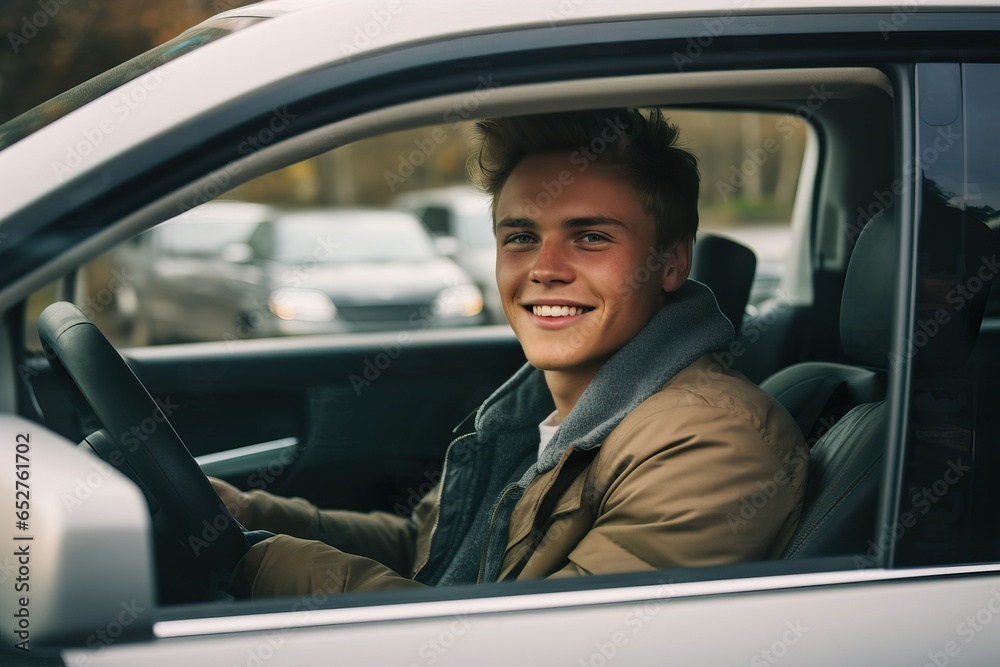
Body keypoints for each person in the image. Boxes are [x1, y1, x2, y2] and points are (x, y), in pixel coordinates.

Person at [212, 107, 808, 598]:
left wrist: (260, 562)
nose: (545, 269)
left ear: (673, 260)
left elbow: (529, 651)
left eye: (591, 236)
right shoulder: (534, 414)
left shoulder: (712, 443)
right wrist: (248, 512)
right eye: (521, 237)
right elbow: (437, 554)